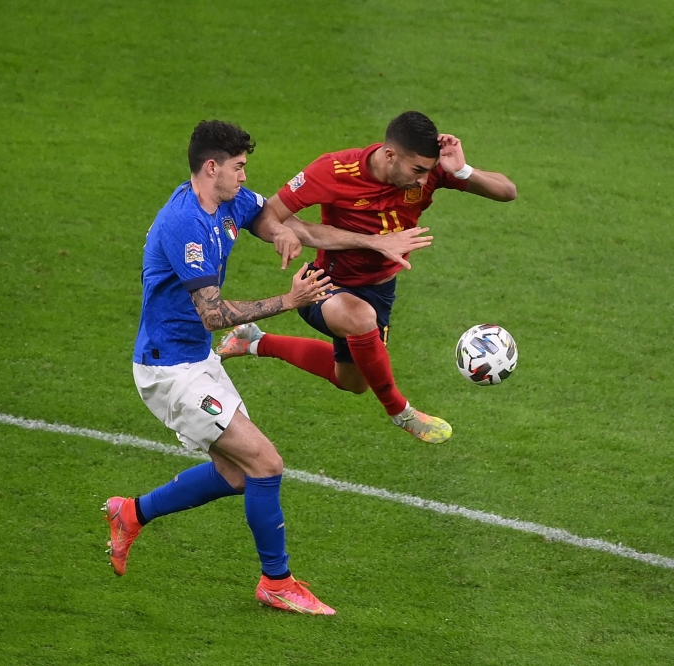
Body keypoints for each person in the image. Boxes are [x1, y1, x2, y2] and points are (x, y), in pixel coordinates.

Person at [105, 120, 426, 616]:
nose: (244, 175)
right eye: (238, 167)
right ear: (212, 168)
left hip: (196, 361)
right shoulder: (184, 224)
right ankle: (276, 582)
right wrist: (290, 299)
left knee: (236, 474)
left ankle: (132, 513)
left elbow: (282, 223)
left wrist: (296, 235)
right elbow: (212, 315)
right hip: (168, 370)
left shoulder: (229, 199)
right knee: (266, 464)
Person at [216, 111, 517, 444]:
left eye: (428, 172)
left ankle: (253, 341)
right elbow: (269, 215)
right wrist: (288, 234)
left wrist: (461, 170)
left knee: (354, 381)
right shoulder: (332, 170)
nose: (422, 181)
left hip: (380, 290)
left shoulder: (430, 171)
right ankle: (401, 413)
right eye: (417, 171)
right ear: (390, 155)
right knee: (361, 319)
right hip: (325, 283)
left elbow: (507, 191)